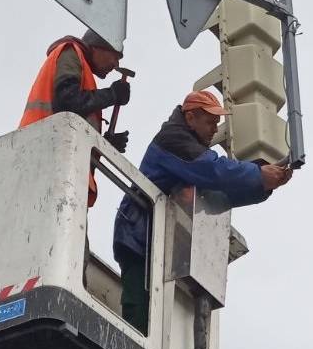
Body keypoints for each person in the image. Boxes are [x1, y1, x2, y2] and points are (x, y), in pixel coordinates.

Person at [113, 90, 292, 332]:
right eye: (209, 122)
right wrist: (258, 175)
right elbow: (214, 171)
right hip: (139, 235)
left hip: (156, 238)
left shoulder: (189, 149)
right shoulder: (173, 140)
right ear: (190, 118)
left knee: (158, 314)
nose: (213, 129)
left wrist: (263, 186)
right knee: (139, 306)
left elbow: (218, 195)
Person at [19, 28, 132, 205]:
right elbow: (68, 103)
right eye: (115, 56)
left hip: (60, 168)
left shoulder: (82, 69)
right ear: (100, 46)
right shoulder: (71, 52)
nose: (116, 64)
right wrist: (112, 95)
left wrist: (104, 144)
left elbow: (74, 130)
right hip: (47, 160)